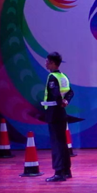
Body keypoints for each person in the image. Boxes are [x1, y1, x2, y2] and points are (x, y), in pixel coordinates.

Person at [41, 52, 74, 182]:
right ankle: (67, 170)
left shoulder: (52, 77)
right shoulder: (63, 76)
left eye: (47, 61)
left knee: (56, 143)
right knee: (62, 142)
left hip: (54, 113)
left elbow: (55, 94)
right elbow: (71, 92)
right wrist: (66, 101)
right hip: (61, 113)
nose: (46, 63)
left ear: (53, 63)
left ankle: (59, 173)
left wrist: (60, 102)